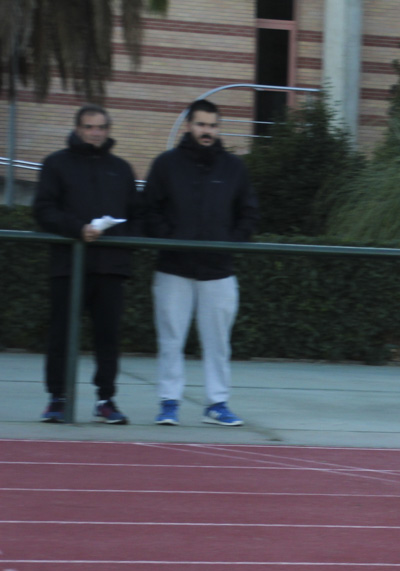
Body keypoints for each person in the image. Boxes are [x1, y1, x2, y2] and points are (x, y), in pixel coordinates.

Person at [144, 99, 259, 427]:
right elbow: (149, 210)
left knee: (219, 342)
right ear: (188, 126)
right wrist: (172, 240)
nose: (207, 131)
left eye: (212, 125)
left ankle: (218, 403)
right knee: (170, 339)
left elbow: (249, 214)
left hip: (218, 270)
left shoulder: (235, 168)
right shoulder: (165, 165)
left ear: (218, 128)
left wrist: (229, 244)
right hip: (173, 269)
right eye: (201, 124)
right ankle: (169, 402)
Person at [33, 104, 142, 424]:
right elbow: (43, 210)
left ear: (108, 130)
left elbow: (137, 215)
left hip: (111, 268)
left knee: (108, 336)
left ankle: (106, 399)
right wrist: (77, 229)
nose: (95, 133)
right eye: (89, 127)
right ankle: (57, 399)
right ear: (78, 129)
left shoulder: (121, 168)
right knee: (61, 335)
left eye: (101, 127)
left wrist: (122, 238)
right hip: (69, 265)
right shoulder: (55, 165)